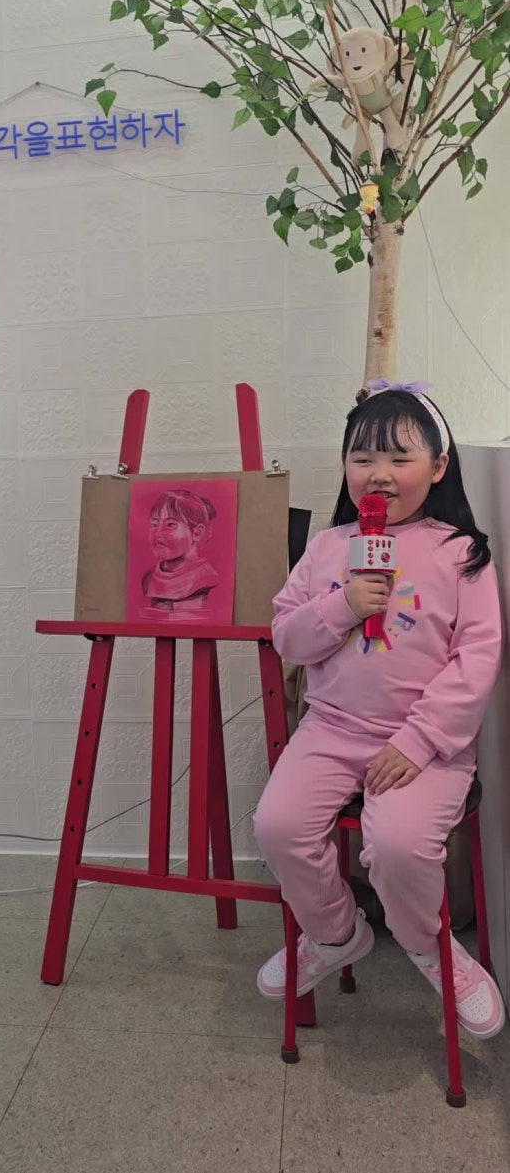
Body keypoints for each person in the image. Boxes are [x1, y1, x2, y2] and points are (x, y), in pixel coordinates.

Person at [253, 382, 505, 1038]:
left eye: (399, 457)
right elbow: (286, 637)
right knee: (277, 825)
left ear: (438, 466)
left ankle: (429, 948)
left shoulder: (461, 553)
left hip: (424, 743)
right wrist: (341, 605)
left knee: (395, 846)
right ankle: (336, 934)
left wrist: (418, 741)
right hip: (331, 728)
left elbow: (476, 659)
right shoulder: (327, 547)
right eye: (362, 457)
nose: (379, 473)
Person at [140, 489, 219, 618]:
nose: (158, 533)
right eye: (154, 524)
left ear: (197, 533)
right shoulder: (148, 578)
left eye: (170, 525)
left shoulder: (205, 577)